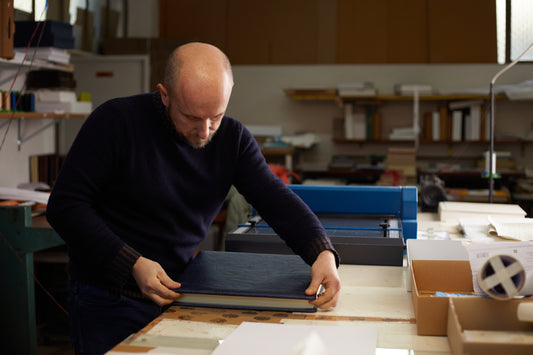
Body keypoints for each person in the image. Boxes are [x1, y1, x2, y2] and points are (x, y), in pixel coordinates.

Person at [46, 42, 341, 354]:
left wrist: (321, 252)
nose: (204, 131)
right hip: (108, 298)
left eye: (216, 116)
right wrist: (131, 263)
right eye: (191, 117)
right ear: (164, 94)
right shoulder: (115, 122)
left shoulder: (232, 139)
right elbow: (65, 206)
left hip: (180, 294)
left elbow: (275, 199)